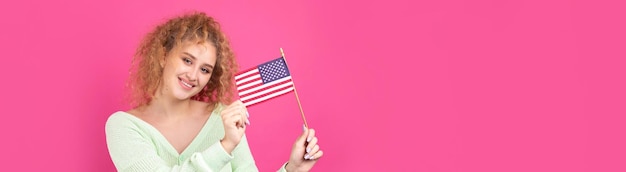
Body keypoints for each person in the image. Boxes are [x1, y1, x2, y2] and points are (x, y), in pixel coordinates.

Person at [105, 11, 323, 172]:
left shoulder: (222, 118)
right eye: (187, 60)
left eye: (205, 69)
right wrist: (225, 146)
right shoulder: (123, 126)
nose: (192, 75)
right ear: (163, 56)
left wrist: (292, 168)